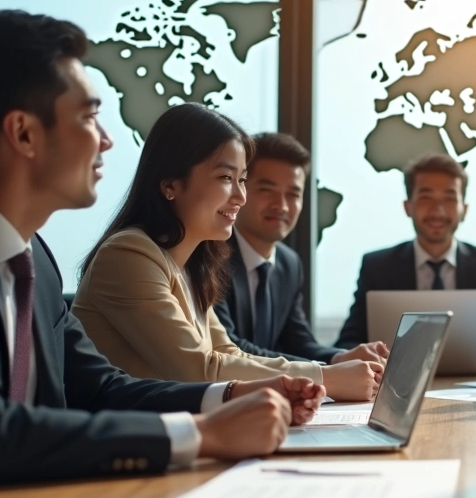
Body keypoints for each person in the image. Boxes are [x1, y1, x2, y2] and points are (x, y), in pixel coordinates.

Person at [0, 10, 324, 498]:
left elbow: (101, 386)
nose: (106, 139)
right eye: (88, 117)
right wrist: (202, 434)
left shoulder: (33, 258)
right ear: (23, 133)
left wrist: (229, 396)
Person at [74, 104, 382, 401]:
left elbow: (228, 353)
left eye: (242, 180)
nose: (240, 196)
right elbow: (199, 369)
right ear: (170, 185)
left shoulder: (192, 263)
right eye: (225, 178)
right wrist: (327, 378)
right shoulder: (129, 254)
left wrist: (317, 378)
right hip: (123, 443)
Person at [215, 132, 388, 367]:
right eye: (267, 190)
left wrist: (341, 357)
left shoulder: (289, 263)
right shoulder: (212, 255)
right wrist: (328, 371)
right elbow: (229, 347)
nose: (282, 205)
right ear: (241, 190)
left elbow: (299, 342)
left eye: (293, 194)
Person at [335, 153, 476, 349]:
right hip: (398, 379)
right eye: (426, 198)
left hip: (474, 377)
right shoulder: (377, 267)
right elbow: (348, 341)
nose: (438, 210)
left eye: (449, 199)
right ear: (408, 207)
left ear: (464, 209)